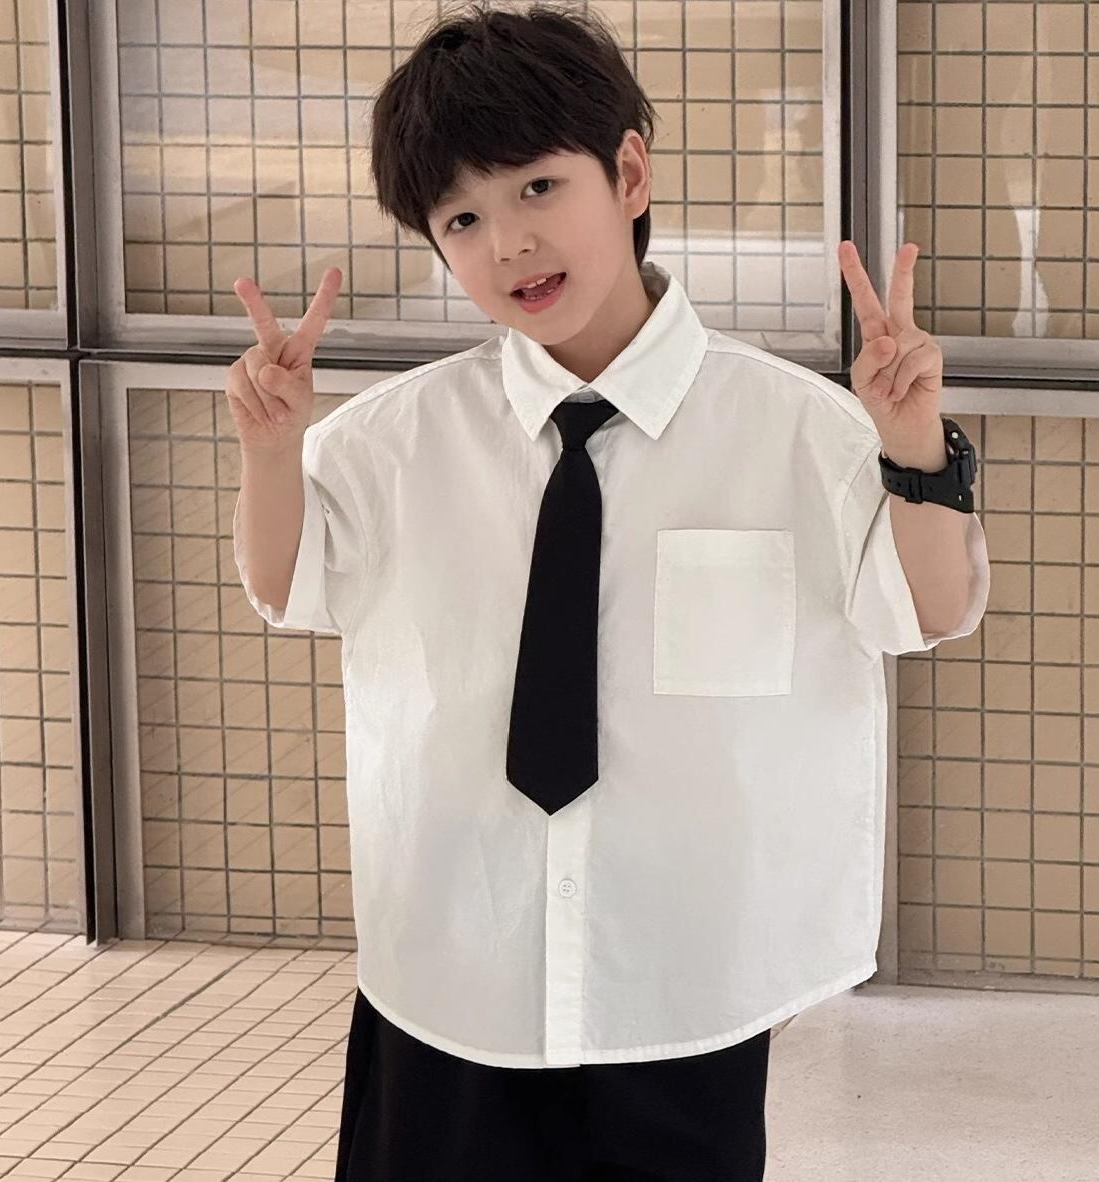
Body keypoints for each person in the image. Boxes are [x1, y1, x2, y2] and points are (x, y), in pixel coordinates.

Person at [228, 5, 991, 1180]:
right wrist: (272, 452)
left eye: (538, 187)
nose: (509, 243)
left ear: (628, 172)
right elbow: (287, 586)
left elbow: (929, 610)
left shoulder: (797, 431)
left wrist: (915, 449)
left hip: (681, 974)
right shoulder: (392, 440)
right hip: (455, 960)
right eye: (462, 219)